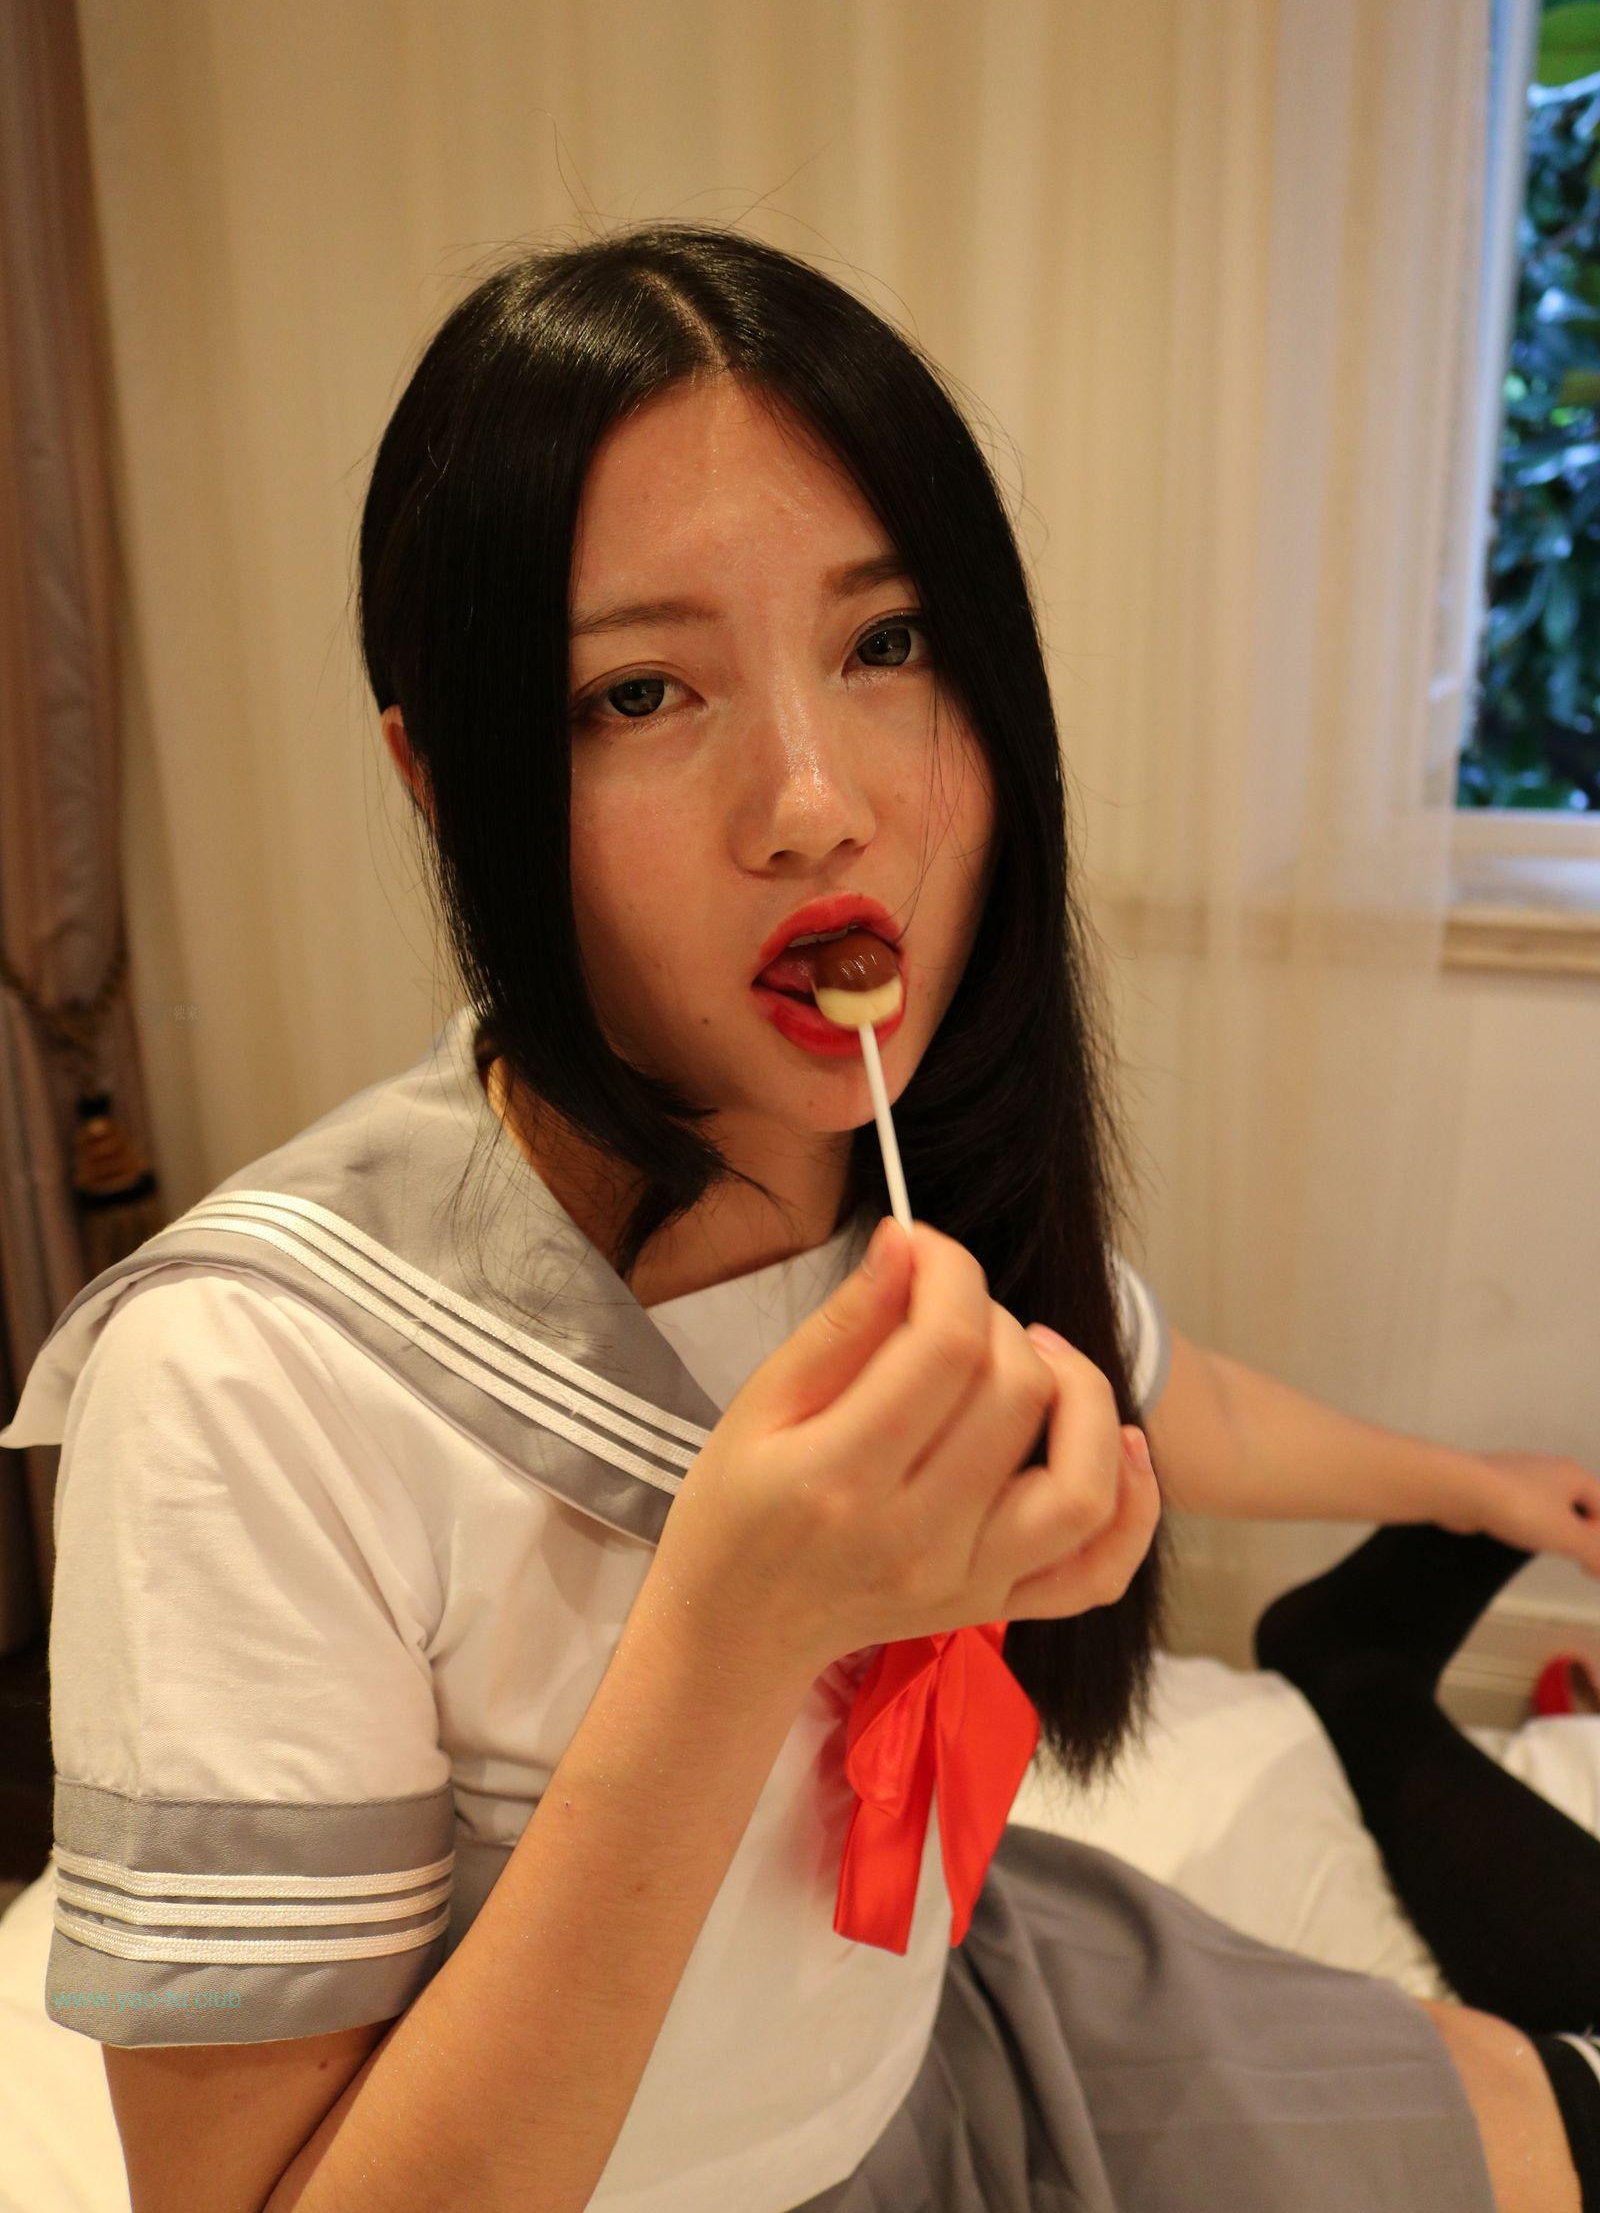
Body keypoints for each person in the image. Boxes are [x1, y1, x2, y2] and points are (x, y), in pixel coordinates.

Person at [1, 222, 1586, 2212]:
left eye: (887, 642)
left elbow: (1151, 1392)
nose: (816, 801)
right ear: (442, 776)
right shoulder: (246, 1386)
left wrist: (1466, 1485)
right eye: (640, 691)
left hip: (962, 2026)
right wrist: (735, 1634)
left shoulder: (880, 1159)